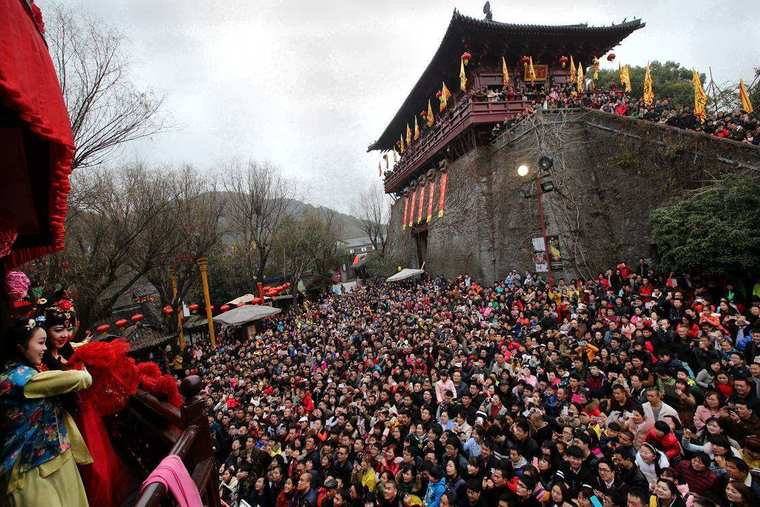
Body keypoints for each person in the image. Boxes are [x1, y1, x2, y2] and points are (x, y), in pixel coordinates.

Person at [0, 318, 93, 507]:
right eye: (40, 343)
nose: (44, 348)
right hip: (29, 467)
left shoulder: (27, 373)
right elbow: (83, 379)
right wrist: (84, 370)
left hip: (57, 454)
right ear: (20, 347)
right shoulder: (18, 379)